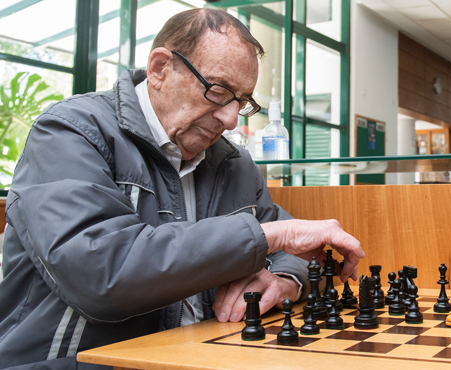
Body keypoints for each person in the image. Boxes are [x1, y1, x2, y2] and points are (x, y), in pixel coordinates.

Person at [0, 9, 364, 370]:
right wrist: (276, 234)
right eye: (219, 91)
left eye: (243, 100)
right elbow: (101, 274)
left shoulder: (233, 163)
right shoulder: (69, 134)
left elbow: (288, 249)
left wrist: (285, 280)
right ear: (160, 68)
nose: (232, 118)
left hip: (203, 358)